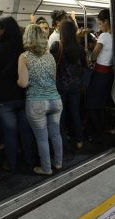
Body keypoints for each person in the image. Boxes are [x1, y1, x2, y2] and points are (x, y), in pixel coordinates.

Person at [0, 16, 35, 171]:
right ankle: (29, 160)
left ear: (4, 30)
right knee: (26, 131)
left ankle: (11, 164)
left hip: (3, 99)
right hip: (23, 95)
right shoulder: (24, 48)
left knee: (9, 133)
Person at [18, 24, 63, 175]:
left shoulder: (24, 57)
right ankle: (58, 163)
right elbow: (53, 79)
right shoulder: (50, 56)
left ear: (27, 37)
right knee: (56, 134)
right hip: (55, 100)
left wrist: (22, 81)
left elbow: (23, 83)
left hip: (36, 103)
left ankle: (46, 168)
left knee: (42, 138)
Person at [50, 20, 86, 149]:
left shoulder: (56, 46)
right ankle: (79, 140)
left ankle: (62, 141)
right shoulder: (80, 48)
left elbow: (51, 66)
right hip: (75, 85)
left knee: (61, 114)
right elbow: (85, 66)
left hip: (60, 86)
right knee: (75, 112)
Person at [86, 9, 114, 143]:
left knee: (91, 104)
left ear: (106, 22)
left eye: (100, 23)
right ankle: (101, 129)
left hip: (99, 75)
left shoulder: (103, 36)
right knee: (101, 104)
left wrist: (89, 55)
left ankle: (97, 132)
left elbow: (94, 55)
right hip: (108, 74)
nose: (99, 26)